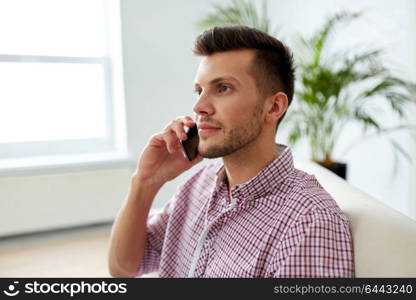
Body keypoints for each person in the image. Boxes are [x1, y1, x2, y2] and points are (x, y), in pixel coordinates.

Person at [108, 25, 354, 278]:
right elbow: (124, 268)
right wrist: (145, 182)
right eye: (199, 90)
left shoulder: (309, 223)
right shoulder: (198, 185)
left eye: (223, 88)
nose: (199, 106)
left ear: (274, 107)